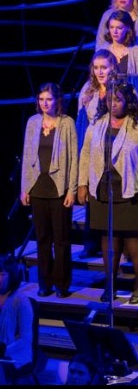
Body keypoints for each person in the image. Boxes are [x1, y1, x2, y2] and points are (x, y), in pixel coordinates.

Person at [78, 81, 138, 304]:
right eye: (109, 100)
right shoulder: (97, 124)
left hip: (133, 190)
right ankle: (111, 283)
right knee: (109, 239)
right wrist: (83, 184)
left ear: (128, 101)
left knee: (135, 240)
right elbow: (85, 153)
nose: (113, 104)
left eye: (118, 100)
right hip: (104, 190)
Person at [21, 82, 78, 298]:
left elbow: (73, 158)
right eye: (41, 99)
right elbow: (27, 156)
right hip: (37, 188)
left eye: (49, 99)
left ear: (57, 101)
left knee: (61, 239)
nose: (45, 103)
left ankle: (62, 284)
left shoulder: (67, 123)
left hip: (59, 189)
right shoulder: (33, 122)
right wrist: (25, 188)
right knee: (42, 239)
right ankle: (44, 282)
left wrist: (71, 190)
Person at [76, 49, 119, 260]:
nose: (100, 71)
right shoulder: (88, 91)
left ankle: (119, 247)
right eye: (96, 67)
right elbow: (81, 124)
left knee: (117, 200)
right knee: (93, 200)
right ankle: (90, 244)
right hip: (94, 152)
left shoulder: (122, 88)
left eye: (104, 67)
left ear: (112, 67)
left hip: (116, 150)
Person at [101, 9, 138, 105]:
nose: (114, 31)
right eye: (111, 27)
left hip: (130, 104)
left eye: (119, 28)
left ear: (127, 28)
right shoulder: (104, 52)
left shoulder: (136, 52)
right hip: (108, 104)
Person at [0, 255, 33, 385]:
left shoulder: (21, 301)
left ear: (11, 275)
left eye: (1, 274)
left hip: (17, 358)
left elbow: (25, 339)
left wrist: (4, 351)